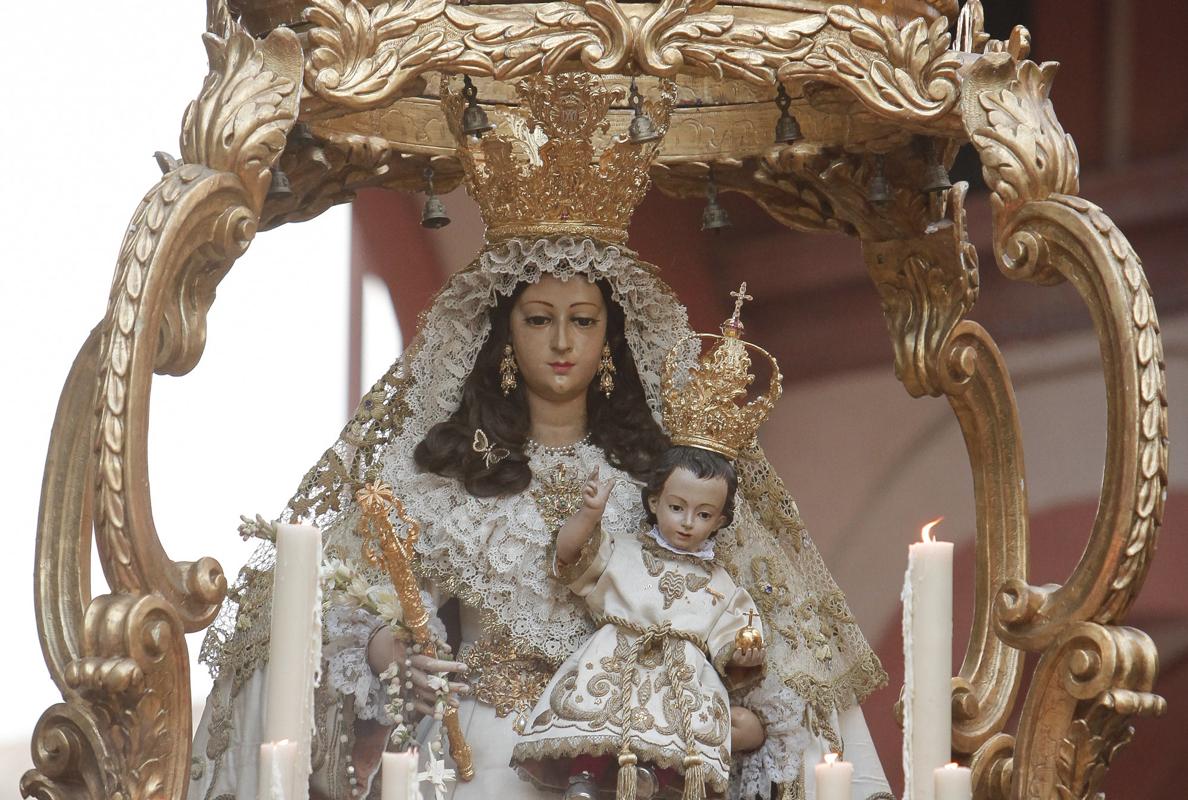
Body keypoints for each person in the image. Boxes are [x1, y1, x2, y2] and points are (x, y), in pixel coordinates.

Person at [189, 73, 892, 800]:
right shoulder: (445, 475)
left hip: (631, 759)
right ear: (502, 335)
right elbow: (340, 607)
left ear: (611, 340)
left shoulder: (661, 479)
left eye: (583, 321)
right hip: (480, 757)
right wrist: (385, 647)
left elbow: (767, 630)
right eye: (538, 319)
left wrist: (741, 706)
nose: (562, 342)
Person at [513, 442, 767, 800]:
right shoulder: (622, 550)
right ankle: (584, 774)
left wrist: (744, 652)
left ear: (721, 521)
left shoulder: (722, 583)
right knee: (597, 707)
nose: (688, 522)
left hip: (680, 673)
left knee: (677, 719)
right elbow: (568, 556)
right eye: (677, 507)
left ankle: (652, 778)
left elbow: (737, 633)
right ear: (654, 502)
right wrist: (589, 514)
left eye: (704, 514)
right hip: (615, 658)